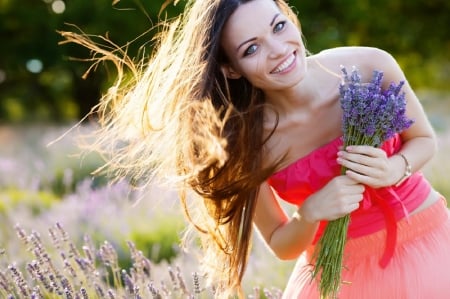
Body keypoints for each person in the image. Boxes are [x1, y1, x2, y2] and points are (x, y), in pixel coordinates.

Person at [64, 0, 450, 297]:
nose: (280, 50)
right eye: (252, 49)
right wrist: (309, 214)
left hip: (430, 245)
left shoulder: (370, 66)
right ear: (231, 68)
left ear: (290, 16)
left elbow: (424, 140)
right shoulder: (244, 143)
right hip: (339, 280)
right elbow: (282, 245)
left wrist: (395, 168)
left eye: (279, 26)